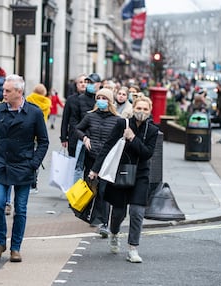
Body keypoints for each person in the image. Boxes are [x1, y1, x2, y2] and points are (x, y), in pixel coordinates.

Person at [0, 74, 49, 263]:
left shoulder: (34, 112)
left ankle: (16, 247)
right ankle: (0, 242)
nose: (3, 93)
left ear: (19, 91)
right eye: (4, 90)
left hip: (24, 165)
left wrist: (33, 162)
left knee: (20, 209)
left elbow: (43, 142)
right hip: (2, 164)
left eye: (7, 91)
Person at [88, 95, 159, 263]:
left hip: (141, 175)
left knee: (137, 212)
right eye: (139, 108)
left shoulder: (153, 130)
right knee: (119, 212)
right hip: (120, 172)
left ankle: (133, 249)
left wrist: (133, 138)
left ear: (150, 111)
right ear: (133, 108)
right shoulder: (122, 124)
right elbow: (108, 145)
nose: (141, 112)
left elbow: (147, 153)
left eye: (145, 109)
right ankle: (114, 233)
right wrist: (95, 169)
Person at [76, 88, 120, 237]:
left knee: (104, 191)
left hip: (107, 161)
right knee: (90, 189)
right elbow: (78, 129)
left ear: (110, 101)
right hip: (91, 157)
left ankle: (104, 223)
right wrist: (84, 138)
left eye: (104, 98)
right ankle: (89, 215)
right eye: (99, 97)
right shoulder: (90, 116)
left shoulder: (117, 120)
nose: (101, 100)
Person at [73, 73, 101, 183]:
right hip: (83, 138)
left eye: (92, 82)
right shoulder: (79, 99)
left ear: (99, 84)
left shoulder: (100, 100)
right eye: (87, 82)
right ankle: (77, 194)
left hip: (98, 139)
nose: (88, 84)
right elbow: (74, 121)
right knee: (79, 167)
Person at [25, 83, 51, 192]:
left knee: (28, 157)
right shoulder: (46, 103)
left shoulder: (29, 99)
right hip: (40, 131)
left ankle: (30, 181)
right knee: (36, 158)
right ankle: (34, 182)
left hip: (29, 132)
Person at [60, 73, 86, 157]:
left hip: (87, 136)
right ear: (77, 85)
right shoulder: (71, 99)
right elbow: (65, 119)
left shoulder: (93, 99)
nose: (83, 84)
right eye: (80, 82)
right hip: (73, 136)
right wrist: (64, 137)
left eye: (85, 82)